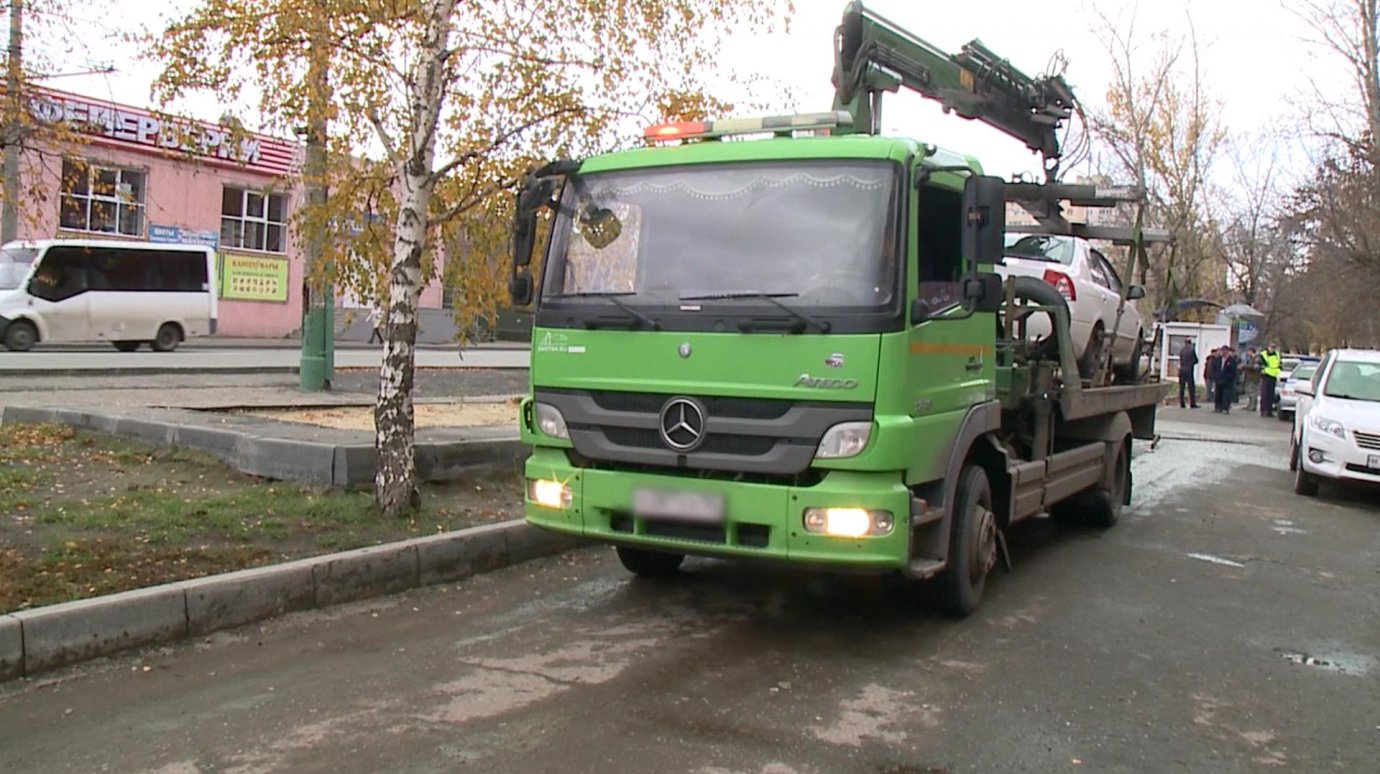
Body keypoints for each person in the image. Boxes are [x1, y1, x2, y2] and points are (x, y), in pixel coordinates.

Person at [1259, 344, 1282, 417]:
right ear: (1268, 347)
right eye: (1271, 347)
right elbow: (1260, 364)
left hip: (1274, 376)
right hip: (1266, 376)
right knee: (1265, 394)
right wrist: (1262, 370)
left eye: (1273, 347)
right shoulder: (1263, 354)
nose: (1272, 349)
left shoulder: (1277, 355)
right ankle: (1264, 411)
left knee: (1271, 395)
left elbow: (1279, 364)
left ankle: (1269, 411)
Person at [1216, 347, 1239, 413]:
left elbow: (1233, 371)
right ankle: (1218, 407)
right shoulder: (1219, 359)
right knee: (1218, 394)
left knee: (1226, 394)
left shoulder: (1231, 360)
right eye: (1222, 351)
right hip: (1219, 379)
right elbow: (1216, 369)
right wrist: (1216, 377)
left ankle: (1225, 408)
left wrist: (1230, 378)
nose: (1222, 352)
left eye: (1224, 351)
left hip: (1227, 381)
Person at [1178, 338, 1200, 408]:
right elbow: (1196, 360)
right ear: (1190, 343)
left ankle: (1182, 403)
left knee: (1182, 387)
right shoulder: (1191, 350)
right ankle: (1192, 403)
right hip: (1189, 370)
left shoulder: (1182, 350)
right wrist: (1191, 363)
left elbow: (1181, 359)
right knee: (1191, 387)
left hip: (1182, 370)